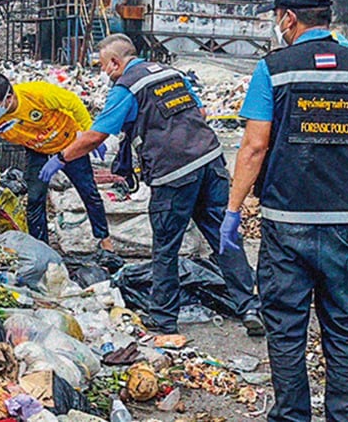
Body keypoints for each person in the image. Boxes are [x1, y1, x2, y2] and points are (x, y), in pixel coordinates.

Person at [220, 0, 348, 422]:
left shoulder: (274, 68)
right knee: (341, 325)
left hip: (285, 222)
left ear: (289, 17)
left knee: (285, 329)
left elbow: (254, 147)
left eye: (278, 18)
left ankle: (293, 416)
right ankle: (347, 417)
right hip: (342, 222)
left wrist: (232, 209)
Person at [39, 33, 264, 337]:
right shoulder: (171, 74)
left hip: (174, 173)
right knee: (221, 234)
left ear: (116, 62)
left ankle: (163, 317)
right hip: (210, 160)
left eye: (104, 65)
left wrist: (60, 158)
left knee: (166, 247)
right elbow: (200, 112)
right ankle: (249, 306)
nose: (104, 71)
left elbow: (96, 136)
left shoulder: (126, 87)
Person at [0, 72, 113, 251]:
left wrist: (90, 134)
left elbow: (73, 103)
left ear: (9, 97)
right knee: (35, 199)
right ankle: (41, 248)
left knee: (88, 192)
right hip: (37, 150)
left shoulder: (38, 93)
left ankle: (105, 242)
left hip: (69, 144)